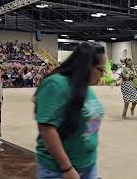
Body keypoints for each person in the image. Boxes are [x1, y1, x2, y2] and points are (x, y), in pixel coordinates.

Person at [34, 42, 106, 179]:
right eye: (101, 70)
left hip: (87, 166)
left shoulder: (84, 88)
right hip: (60, 171)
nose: (102, 75)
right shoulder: (56, 84)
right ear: (87, 66)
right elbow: (47, 128)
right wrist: (67, 168)